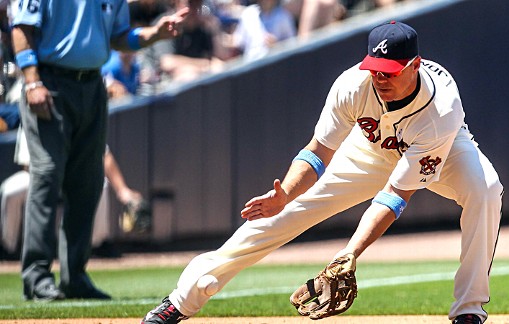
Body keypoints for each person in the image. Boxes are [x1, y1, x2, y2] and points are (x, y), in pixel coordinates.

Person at [141, 21, 503, 324]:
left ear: (415, 65)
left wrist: (350, 252)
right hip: (369, 150)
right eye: (375, 68)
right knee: (280, 212)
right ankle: (181, 300)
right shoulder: (353, 85)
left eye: (390, 71)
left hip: (442, 149)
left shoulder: (441, 109)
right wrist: (285, 194)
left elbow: (395, 196)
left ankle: (468, 310)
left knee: (485, 189)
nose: (380, 77)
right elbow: (317, 153)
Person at [10, 0, 188, 301]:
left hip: (92, 85)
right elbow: (21, 28)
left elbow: (119, 37)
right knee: (48, 175)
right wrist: (31, 81)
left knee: (87, 182)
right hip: (49, 81)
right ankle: (36, 276)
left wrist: (154, 35)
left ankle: (74, 277)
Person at [0, 130, 148, 259]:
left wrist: (123, 190)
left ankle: (97, 243)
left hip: (70, 175)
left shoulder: (75, 115)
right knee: (10, 190)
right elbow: (27, 165)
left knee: (99, 182)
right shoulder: (33, 117)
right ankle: (8, 247)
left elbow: (103, 153)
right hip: (37, 176)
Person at [231, 0, 296, 60]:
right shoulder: (248, 14)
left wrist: (277, 46)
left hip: (275, 64)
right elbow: (238, 43)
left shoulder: (283, 16)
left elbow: (293, 45)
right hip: (251, 66)